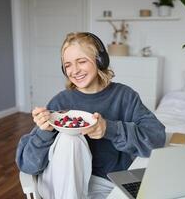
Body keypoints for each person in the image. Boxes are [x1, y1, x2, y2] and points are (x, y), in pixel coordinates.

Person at [16, 32, 166, 199]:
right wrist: (44, 132)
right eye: (68, 65)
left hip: (106, 183)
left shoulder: (124, 96)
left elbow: (157, 138)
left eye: (82, 61)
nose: (74, 70)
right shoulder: (60, 103)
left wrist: (110, 129)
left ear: (100, 61)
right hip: (60, 183)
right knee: (69, 138)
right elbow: (27, 165)